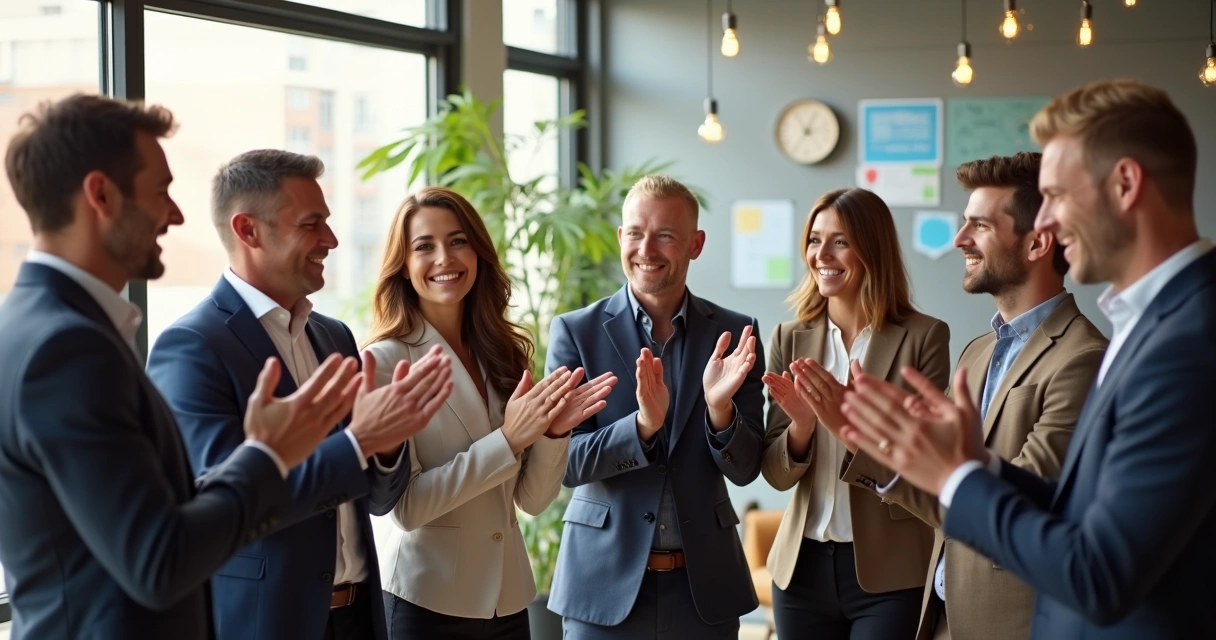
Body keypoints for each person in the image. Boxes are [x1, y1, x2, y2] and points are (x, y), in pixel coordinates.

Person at [839, 79, 1216, 639]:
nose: (1050, 223)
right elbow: (1079, 508)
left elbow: (1101, 573)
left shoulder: (1190, 338)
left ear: (1126, 184)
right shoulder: (1150, 321)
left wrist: (956, 474)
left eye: (1059, 196)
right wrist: (976, 465)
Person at [0, 94, 365, 639]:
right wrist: (267, 454)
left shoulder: (33, 325)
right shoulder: (68, 349)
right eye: (161, 192)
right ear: (100, 194)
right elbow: (159, 561)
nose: (175, 214)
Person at [146, 150, 453, 640]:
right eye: (312, 224)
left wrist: (389, 444)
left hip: (358, 619)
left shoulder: (333, 337)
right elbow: (224, 508)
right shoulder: (192, 347)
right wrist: (358, 442)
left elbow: (375, 500)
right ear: (248, 230)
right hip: (266, 622)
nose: (330, 240)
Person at [837, 154, 1107, 640]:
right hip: (943, 618)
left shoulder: (1083, 358)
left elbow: (1023, 503)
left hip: (1011, 625)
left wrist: (932, 460)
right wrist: (884, 450)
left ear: (1037, 243)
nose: (960, 240)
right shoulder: (975, 352)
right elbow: (947, 495)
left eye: (979, 226)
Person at [365, 187, 616, 640]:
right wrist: (509, 440)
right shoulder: (387, 362)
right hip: (426, 602)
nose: (445, 258)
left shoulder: (501, 354)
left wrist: (553, 434)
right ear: (403, 265)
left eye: (458, 240)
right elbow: (405, 508)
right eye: (424, 246)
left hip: (507, 600)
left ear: (478, 252)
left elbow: (531, 501)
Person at [545, 174, 765, 640]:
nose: (647, 249)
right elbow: (563, 464)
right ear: (620, 237)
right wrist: (642, 427)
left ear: (696, 244)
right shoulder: (575, 333)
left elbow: (746, 469)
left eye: (666, 235)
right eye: (636, 233)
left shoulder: (735, 334)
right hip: (601, 589)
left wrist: (720, 412)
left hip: (703, 590)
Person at [759, 187, 949, 640]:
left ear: (872, 249)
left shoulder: (924, 337)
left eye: (840, 241)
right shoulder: (789, 337)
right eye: (814, 239)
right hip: (800, 571)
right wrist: (803, 428)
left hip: (891, 572)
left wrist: (848, 429)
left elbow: (926, 466)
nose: (821, 254)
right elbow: (775, 472)